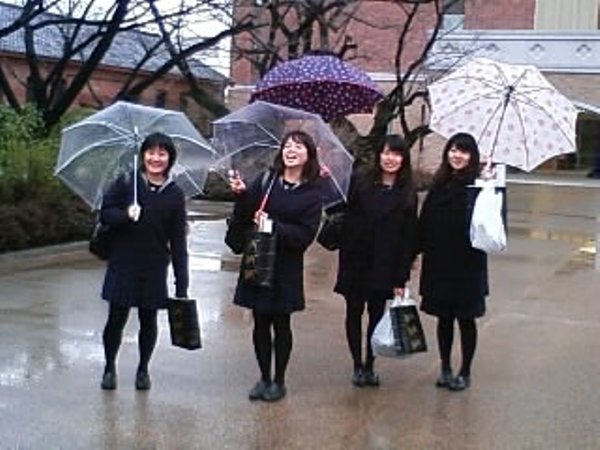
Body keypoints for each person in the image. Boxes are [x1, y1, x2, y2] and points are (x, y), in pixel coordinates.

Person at [228, 130, 323, 402]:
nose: (291, 150)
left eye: (299, 146)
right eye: (288, 145)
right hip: (259, 258)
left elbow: (304, 236)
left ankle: (279, 380)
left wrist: (273, 224)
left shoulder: (312, 194)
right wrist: (241, 195)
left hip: (285, 267)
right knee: (260, 321)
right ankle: (264, 377)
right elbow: (245, 216)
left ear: (309, 155)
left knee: (281, 323)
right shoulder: (267, 181)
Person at [99, 132, 189, 391]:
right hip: (123, 264)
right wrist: (126, 215)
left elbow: (178, 241)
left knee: (148, 321)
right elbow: (105, 214)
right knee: (116, 319)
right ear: (142, 155)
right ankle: (109, 367)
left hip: (154, 266)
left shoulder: (174, 194)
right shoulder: (127, 182)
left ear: (170, 158)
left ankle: (143, 369)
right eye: (151, 152)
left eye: (162, 153)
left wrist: (181, 283)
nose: (155, 158)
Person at [334, 134, 418, 387]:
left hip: (385, 264)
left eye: (396, 154)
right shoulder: (360, 182)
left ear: (403, 159)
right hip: (355, 259)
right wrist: (329, 181)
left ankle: (370, 364)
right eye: (386, 152)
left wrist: (401, 276)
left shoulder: (407, 194)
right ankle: (357, 365)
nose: (390, 158)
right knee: (353, 312)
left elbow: (409, 238)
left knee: (376, 314)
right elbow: (338, 211)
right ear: (379, 155)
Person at [417, 132, 488, 392]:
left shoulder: (479, 186)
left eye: (464, 151)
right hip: (439, 262)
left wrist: (489, 186)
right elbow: (424, 223)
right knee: (444, 318)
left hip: (468, 264)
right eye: (453, 150)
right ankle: (445, 367)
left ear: (472, 156)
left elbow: (493, 223)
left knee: (466, 319)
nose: (457, 155)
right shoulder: (439, 184)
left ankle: (465, 370)